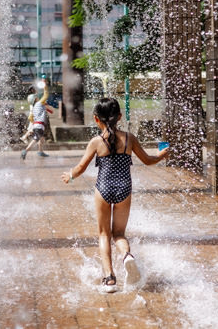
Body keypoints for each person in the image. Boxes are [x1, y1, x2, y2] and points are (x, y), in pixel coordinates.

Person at [61, 97, 170, 293]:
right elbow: (148, 160)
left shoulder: (96, 142)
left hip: (103, 189)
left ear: (96, 119)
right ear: (119, 116)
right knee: (119, 234)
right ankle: (127, 256)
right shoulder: (129, 138)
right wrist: (162, 155)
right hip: (124, 189)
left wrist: (70, 175)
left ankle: (110, 279)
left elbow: (80, 168)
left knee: (104, 234)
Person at [21, 79, 51, 159]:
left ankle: (40, 151)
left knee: (42, 139)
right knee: (36, 139)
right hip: (39, 126)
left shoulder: (34, 107)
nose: (38, 97)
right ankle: (25, 151)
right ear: (35, 99)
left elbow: (30, 117)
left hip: (37, 126)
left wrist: (34, 123)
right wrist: (44, 85)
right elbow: (46, 95)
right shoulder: (39, 103)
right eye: (36, 97)